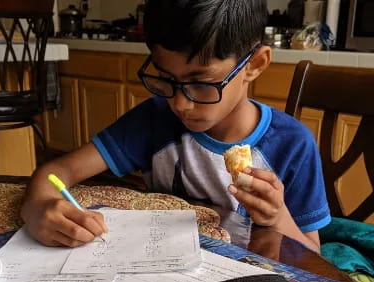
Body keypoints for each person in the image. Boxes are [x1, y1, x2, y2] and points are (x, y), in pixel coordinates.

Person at [21, 0, 330, 252]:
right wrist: (38, 208)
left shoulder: (292, 145)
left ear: (254, 65)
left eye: (201, 83)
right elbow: (58, 172)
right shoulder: (153, 120)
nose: (180, 104)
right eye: (166, 78)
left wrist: (278, 218)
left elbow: (312, 257)